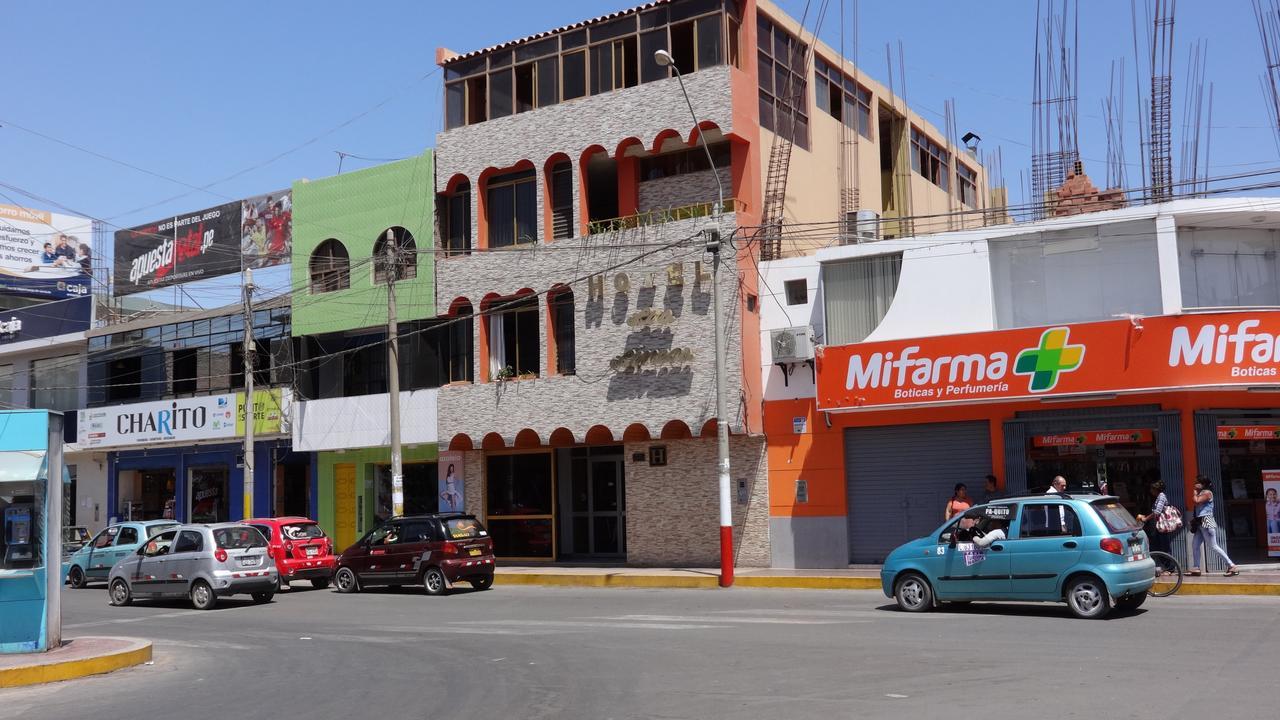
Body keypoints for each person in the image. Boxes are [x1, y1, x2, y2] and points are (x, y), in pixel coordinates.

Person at [1189, 475, 1239, 576]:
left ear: (1202, 484)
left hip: (1206, 521)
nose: (1195, 484)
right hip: (1199, 522)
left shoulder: (1207, 493)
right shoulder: (1201, 492)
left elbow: (1196, 501)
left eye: (1197, 482)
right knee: (1195, 545)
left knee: (1213, 546)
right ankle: (1196, 568)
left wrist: (1194, 492)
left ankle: (1231, 565)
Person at [1135, 480, 1173, 557]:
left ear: (1156, 489)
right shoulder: (1158, 497)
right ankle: (1163, 563)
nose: (1150, 491)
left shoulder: (1161, 497)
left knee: (1164, 544)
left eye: (1152, 489)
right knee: (1157, 543)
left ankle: (1170, 566)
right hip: (1158, 524)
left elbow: (1157, 512)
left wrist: (1146, 518)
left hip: (1162, 524)